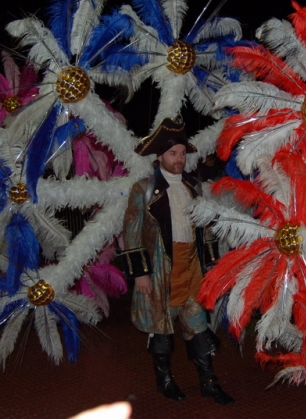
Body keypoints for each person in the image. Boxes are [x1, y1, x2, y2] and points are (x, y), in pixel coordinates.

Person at [119, 116, 234, 405]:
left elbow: (205, 227)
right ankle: (165, 381)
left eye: (182, 153)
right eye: (173, 153)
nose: (179, 159)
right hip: (161, 269)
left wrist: (210, 265)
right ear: (160, 157)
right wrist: (141, 273)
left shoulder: (193, 185)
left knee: (198, 325)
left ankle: (209, 382)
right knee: (161, 328)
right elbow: (131, 233)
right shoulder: (143, 190)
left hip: (191, 266)